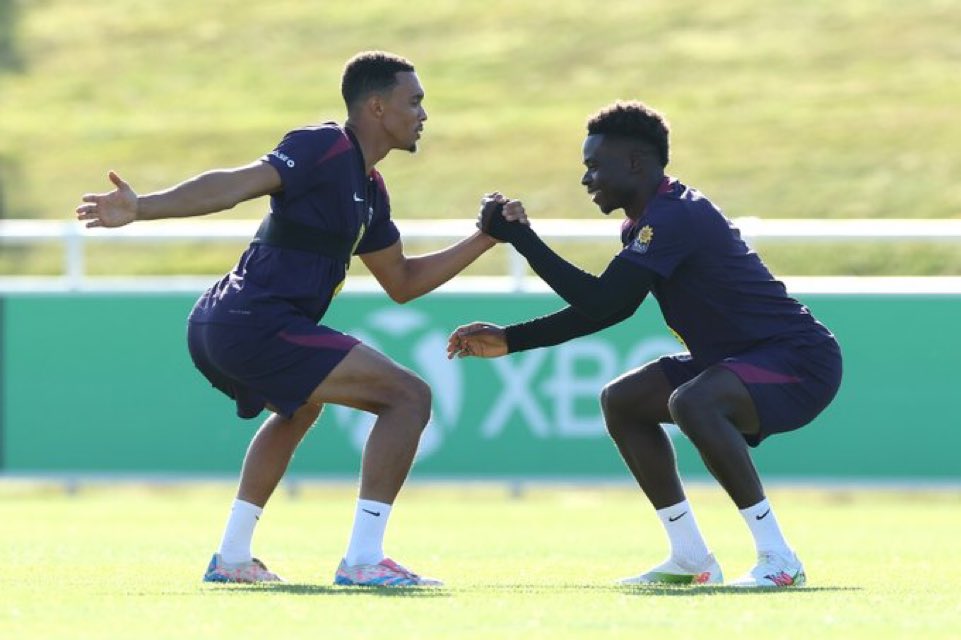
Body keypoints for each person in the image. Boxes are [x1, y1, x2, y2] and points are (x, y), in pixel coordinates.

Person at [76, 51, 523, 587]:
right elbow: (234, 184)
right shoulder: (323, 145)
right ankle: (362, 561)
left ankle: (232, 558)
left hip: (232, 322)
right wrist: (142, 207)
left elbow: (402, 282)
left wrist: (485, 238)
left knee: (300, 408)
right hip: (249, 320)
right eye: (415, 101)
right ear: (377, 107)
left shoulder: (371, 191)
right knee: (410, 397)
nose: (424, 114)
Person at [448, 101, 842, 588]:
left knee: (693, 401)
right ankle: (690, 557)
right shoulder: (647, 221)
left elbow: (602, 299)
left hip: (799, 362)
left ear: (635, 162)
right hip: (738, 359)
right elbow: (609, 309)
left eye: (594, 166)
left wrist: (523, 239)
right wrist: (511, 339)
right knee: (624, 401)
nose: (586, 179)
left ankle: (779, 559)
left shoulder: (673, 218)